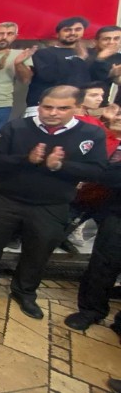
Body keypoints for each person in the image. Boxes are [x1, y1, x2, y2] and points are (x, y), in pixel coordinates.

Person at [0, 86, 107, 319]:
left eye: (62, 108)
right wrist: (26, 160)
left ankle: (24, 291)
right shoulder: (17, 127)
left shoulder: (91, 134)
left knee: (38, 251)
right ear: (39, 105)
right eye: (47, 106)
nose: (53, 113)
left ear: (77, 108)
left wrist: (60, 166)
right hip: (6, 199)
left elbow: (98, 172)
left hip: (51, 205)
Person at [63, 113, 121, 331]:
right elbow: (102, 174)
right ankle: (91, 311)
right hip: (116, 213)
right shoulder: (108, 142)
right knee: (103, 264)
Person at [0, 22, 35, 146]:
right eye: (0, 34)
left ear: (15, 37)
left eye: (9, 34)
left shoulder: (20, 55)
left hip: (0, 105)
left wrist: (18, 63)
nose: (4, 37)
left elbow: (25, 80)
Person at [24, 17, 93, 117]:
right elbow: (48, 76)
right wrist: (78, 60)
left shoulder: (88, 55)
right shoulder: (44, 53)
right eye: (67, 30)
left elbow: (89, 82)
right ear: (58, 33)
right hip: (44, 107)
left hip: (75, 108)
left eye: (77, 29)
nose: (72, 33)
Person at [88, 25, 121, 105]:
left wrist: (114, 76)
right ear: (96, 41)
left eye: (116, 39)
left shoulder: (119, 57)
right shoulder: (85, 54)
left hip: (102, 104)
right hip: (80, 104)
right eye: (106, 39)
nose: (111, 42)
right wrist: (99, 59)